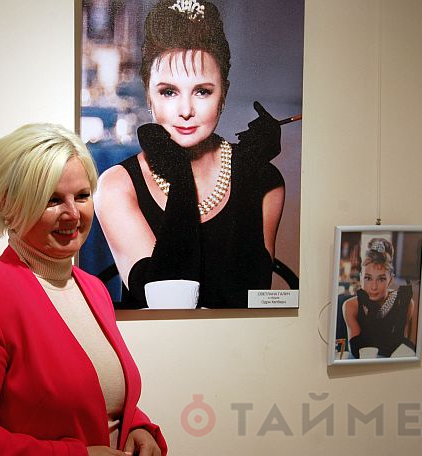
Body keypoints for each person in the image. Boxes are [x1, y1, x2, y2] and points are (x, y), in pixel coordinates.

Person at [0, 124, 166, 456]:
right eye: (52, 200)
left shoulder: (93, 288)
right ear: (9, 206)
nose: (73, 213)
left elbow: (95, 393)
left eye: (82, 196)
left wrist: (136, 426)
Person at [95, 0, 286, 308]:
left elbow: (249, 295)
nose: (185, 110)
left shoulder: (264, 180)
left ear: (223, 93)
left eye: (202, 91)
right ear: (148, 94)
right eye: (168, 92)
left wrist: (248, 172)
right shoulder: (116, 186)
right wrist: (181, 176)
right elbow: (166, 299)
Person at [342, 238, 416, 359]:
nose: (374, 287)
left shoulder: (404, 303)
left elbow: (401, 347)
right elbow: (356, 350)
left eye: (381, 279)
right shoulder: (351, 306)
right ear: (360, 278)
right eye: (368, 278)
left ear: (391, 280)